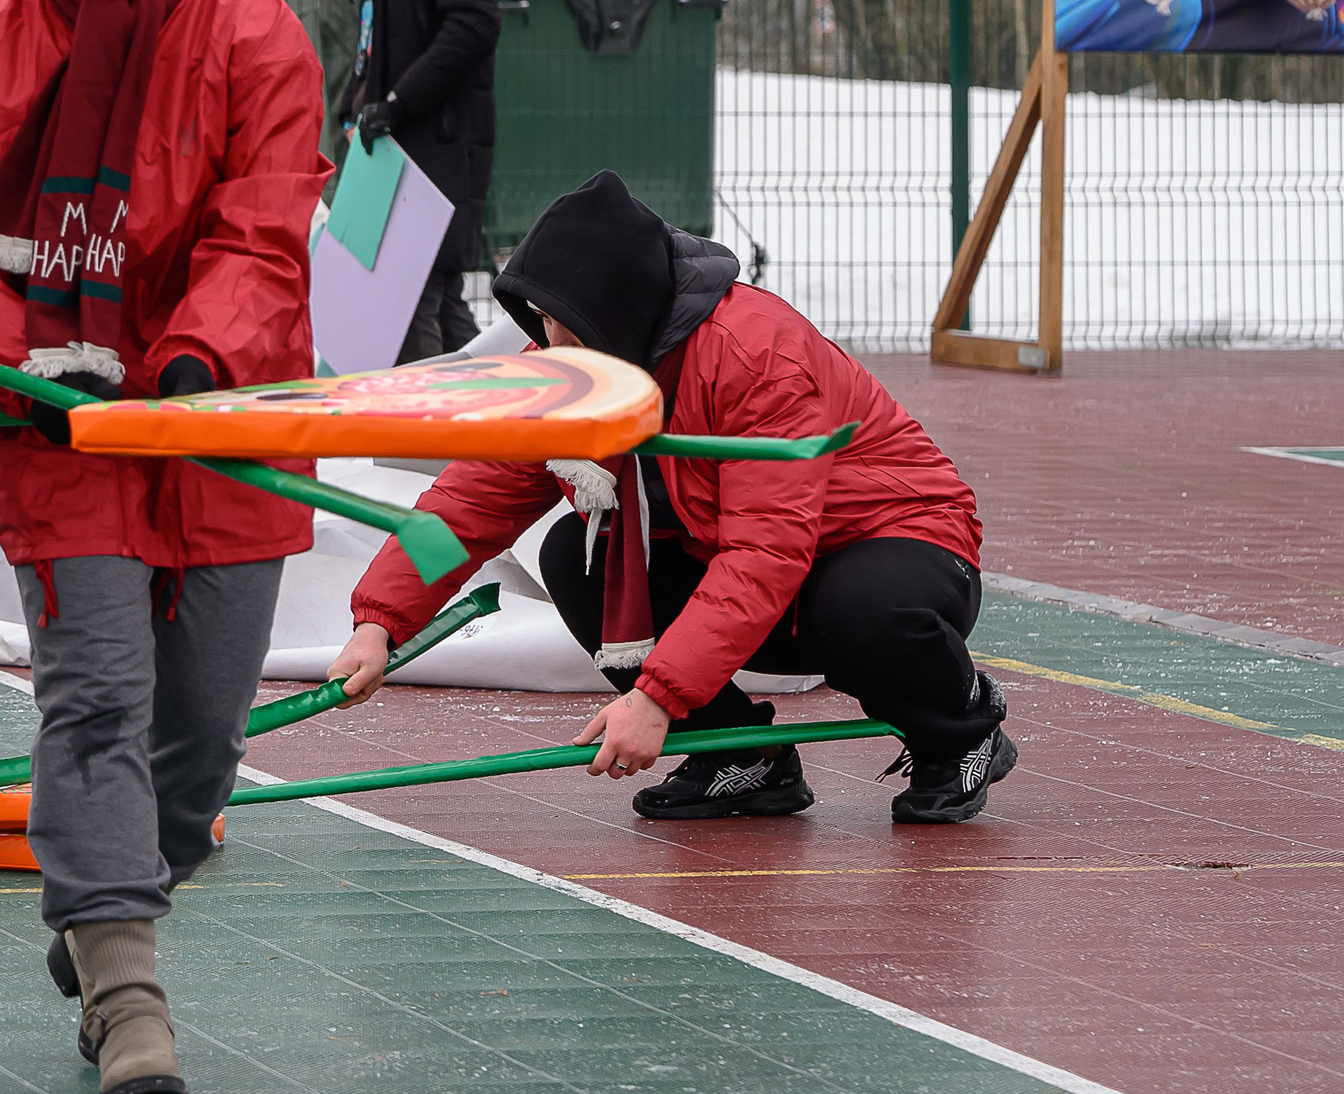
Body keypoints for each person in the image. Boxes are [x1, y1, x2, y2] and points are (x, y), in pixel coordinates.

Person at [0, 0, 327, 1094]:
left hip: (225, 418)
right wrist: (27, 364)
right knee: (94, 703)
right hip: (61, 427)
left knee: (199, 740)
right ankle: (131, 1000)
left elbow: (266, 225)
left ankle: (97, 908)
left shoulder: (257, 33)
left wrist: (198, 354)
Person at [327, 171, 1016, 825]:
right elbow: (467, 503)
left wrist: (658, 696)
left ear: (615, 310)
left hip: (900, 541)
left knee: (863, 608)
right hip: (766, 568)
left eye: (563, 321)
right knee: (579, 554)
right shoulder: (575, 369)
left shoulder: (753, 355)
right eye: (538, 319)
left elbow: (767, 550)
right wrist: (380, 619)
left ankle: (960, 731)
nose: (548, 341)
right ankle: (739, 754)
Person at [322, 0, 524, 362]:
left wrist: (396, 101)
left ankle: (436, 441)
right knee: (436, 304)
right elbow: (378, 34)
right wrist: (358, 103)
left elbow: (473, 27)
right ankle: (511, 423)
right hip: (395, 148)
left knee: (414, 303)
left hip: (438, 152)